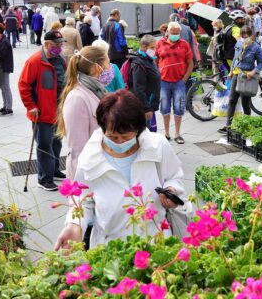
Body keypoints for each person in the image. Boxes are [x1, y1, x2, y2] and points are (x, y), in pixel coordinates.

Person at [54, 90, 185, 250]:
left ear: (138, 130)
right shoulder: (90, 156)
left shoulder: (157, 147)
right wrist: (74, 225)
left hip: (155, 243)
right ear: (103, 129)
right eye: (113, 137)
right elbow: (83, 200)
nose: (120, 142)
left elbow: (174, 177)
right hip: (110, 248)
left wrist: (172, 191)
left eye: (127, 136)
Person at [18, 30, 67, 191]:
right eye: (56, 45)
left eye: (61, 44)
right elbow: (23, 85)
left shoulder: (61, 60)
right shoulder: (35, 61)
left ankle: (53, 170)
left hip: (58, 110)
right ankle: (44, 178)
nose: (59, 48)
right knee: (44, 145)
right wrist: (31, 106)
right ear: (46, 44)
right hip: (42, 112)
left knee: (56, 142)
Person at [58, 43, 111, 180]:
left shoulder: (96, 90)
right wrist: (82, 188)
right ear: (96, 68)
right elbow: (77, 150)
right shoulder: (77, 98)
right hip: (88, 176)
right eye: (108, 64)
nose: (110, 69)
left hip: (101, 168)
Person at [218, 26, 262, 134]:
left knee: (245, 102)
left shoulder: (255, 47)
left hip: (247, 76)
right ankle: (228, 126)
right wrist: (230, 71)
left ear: (251, 36)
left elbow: (261, 63)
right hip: (236, 74)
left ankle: (247, 125)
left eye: (246, 37)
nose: (244, 39)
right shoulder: (239, 43)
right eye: (243, 37)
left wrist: (254, 71)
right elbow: (235, 58)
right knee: (232, 100)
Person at [156, 22, 194, 144]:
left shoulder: (184, 44)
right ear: (167, 32)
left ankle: (177, 134)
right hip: (163, 82)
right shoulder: (159, 43)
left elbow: (190, 63)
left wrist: (184, 79)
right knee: (164, 107)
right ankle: (166, 133)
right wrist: (158, 75)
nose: (175, 35)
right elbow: (155, 61)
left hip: (179, 82)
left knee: (179, 108)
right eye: (173, 33)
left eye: (177, 33)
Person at [124, 34, 161, 131]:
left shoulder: (148, 59)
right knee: (144, 132)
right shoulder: (138, 64)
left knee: (150, 132)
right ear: (144, 47)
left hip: (150, 103)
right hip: (144, 107)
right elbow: (138, 88)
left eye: (155, 47)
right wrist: (146, 108)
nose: (154, 50)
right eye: (152, 47)